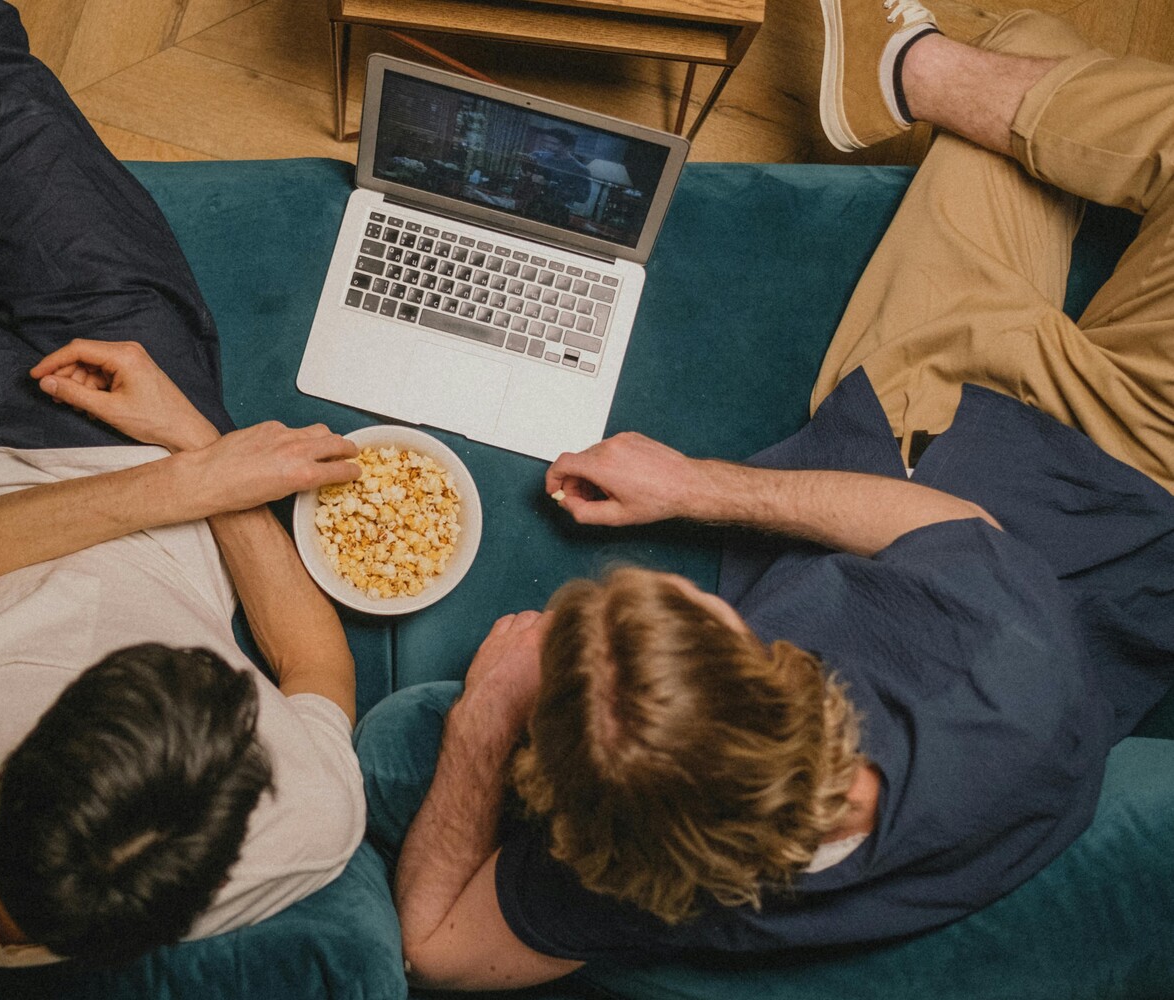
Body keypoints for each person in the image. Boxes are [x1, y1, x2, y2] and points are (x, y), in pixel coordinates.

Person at [357, 4, 1174, 990]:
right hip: (1108, 478)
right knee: (1032, 51)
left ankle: (937, 75)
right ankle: (919, 69)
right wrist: (693, 487)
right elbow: (950, 525)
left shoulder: (635, 872)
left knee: (1033, 56)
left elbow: (430, 948)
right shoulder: (1005, 671)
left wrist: (487, 713)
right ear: (778, 675)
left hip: (1005, 484)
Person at [0, 0, 366, 967]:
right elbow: (316, 670)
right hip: (145, 424)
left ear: (10, 766)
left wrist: (193, 484)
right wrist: (191, 441)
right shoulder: (306, 828)